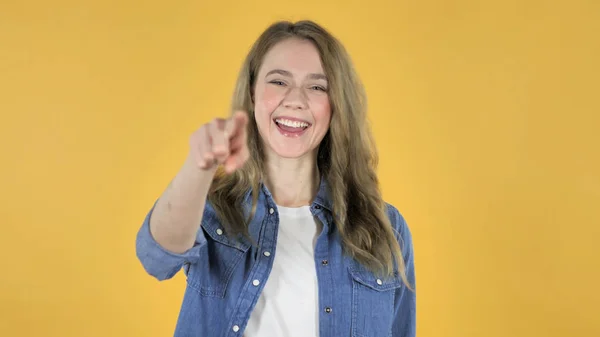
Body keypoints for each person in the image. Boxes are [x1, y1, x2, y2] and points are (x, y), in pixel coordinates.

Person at [135, 20, 416, 337]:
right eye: (279, 82)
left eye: (317, 86)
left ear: (336, 106)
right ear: (253, 93)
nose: (295, 99)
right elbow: (156, 257)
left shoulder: (386, 229)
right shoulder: (210, 209)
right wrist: (198, 167)